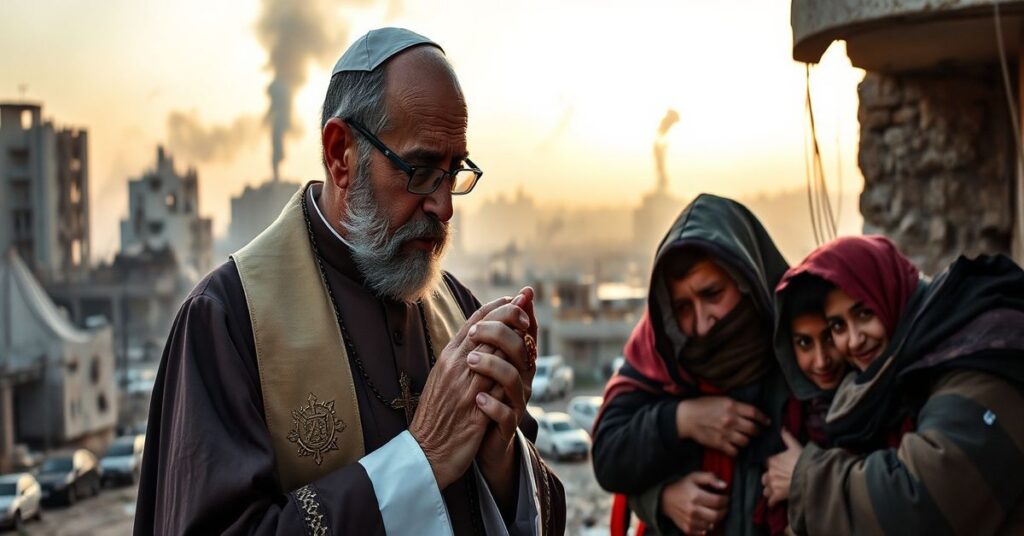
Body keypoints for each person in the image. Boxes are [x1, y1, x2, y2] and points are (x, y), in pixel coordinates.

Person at [134, 28, 565, 535]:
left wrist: (502, 460)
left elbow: (542, 509)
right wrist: (421, 460)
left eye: (453, 173)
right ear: (341, 154)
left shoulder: (457, 306)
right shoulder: (227, 320)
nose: (444, 206)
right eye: (421, 169)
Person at [763, 235, 1024, 535]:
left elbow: (920, 503)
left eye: (865, 313)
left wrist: (805, 478)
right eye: (838, 326)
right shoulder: (904, 369)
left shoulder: (973, 349)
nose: (854, 339)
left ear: (891, 292)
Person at [592, 194, 791, 536]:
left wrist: (805, 477)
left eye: (712, 293)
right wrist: (681, 422)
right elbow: (611, 456)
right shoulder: (663, 353)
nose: (701, 324)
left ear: (748, 279)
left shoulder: (802, 350)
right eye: (683, 307)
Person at [755, 273, 845, 532]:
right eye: (804, 343)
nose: (821, 361)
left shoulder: (882, 407)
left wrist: (803, 479)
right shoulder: (784, 414)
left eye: (830, 337)